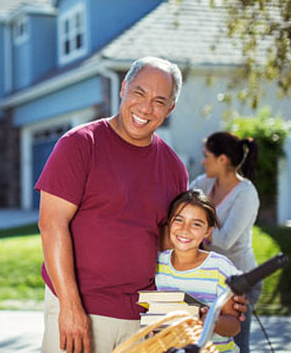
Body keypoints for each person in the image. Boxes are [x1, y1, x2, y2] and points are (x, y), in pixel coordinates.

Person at [36, 57, 246, 353]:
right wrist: (70, 308)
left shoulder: (174, 168)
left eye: (160, 101)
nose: (146, 108)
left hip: (145, 316)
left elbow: (172, 245)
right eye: (139, 93)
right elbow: (51, 224)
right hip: (81, 310)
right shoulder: (81, 144)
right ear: (123, 89)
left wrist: (220, 295)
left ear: (170, 109)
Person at [190, 131, 260, 353]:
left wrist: (193, 226)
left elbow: (225, 240)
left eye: (206, 156)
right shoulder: (204, 182)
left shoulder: (246, 193)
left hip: (241, 281)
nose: (203, 161)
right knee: (208, 341)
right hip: (211, 275)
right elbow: (182, 205)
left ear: (222, 159)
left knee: (238, 345)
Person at [156, 189, 240, 353]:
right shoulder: (158, 264)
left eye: (196, 224)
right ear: (169, 222)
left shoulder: (220, 268)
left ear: (208, 231)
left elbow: (234, 325)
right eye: (179, 220)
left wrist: (210, 321)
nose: (185, 229)